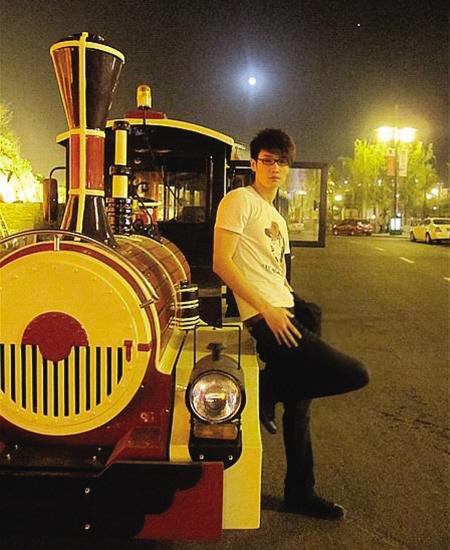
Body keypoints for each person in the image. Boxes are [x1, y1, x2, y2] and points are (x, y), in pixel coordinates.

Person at [213, 128, 369, 521]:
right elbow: (221, 263)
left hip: (287, 312)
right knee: (354, 373)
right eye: (267, 160)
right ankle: (266, 391)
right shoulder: (239, 201)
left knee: (300, 412)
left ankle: (300, 492)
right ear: (253, 163)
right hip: (269, 319)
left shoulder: (277, 218)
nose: (275, 168)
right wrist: (266, 310)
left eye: (282, 162)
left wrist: (299, 307)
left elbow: (277, 275)